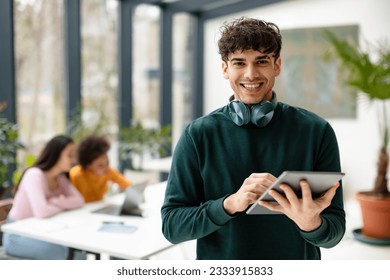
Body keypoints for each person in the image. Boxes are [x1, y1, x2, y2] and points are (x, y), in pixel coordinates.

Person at [161, 17, 345, 260]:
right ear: (225, 69)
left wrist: (311, 222)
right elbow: (172, 228)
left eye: (261, 61)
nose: (251, 74)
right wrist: (228, 204)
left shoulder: (316, 131)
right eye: (239, 62)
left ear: (277, 65)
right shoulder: (197, 135)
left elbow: (334, 233)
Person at [2, 135, 85, 260]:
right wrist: (61, 204)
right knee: (68, 254)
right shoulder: (34, 175)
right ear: (56, 154)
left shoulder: (60, 178)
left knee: (77, 250)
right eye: (69, 155)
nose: (74, 160)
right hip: (17, 236)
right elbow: (42, 212)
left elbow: (79, 201)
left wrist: (54, 201)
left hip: (40, 231)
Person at [69, 135, 133, 203]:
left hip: (96, 207)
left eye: (107, 163)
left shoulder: (109, 171)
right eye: (100, 166)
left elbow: (128, 185)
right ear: (88, 166)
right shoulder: (75, 175)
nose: (106, 168)